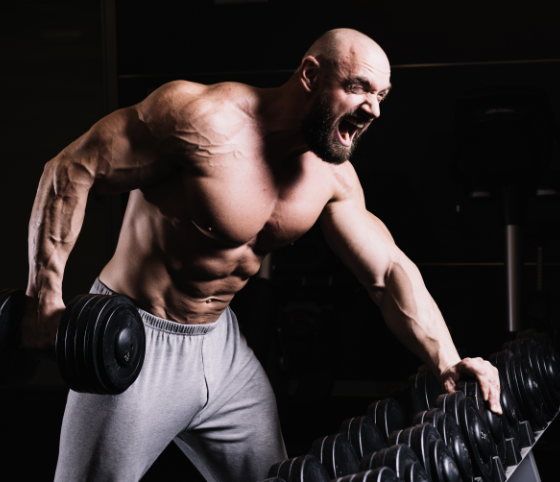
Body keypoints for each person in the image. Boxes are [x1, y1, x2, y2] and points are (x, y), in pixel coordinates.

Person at [21, 28, 501, 482]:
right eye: (358, 88)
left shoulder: (331, 176)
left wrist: (447, 361)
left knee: (274, 475)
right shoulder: (200, 118)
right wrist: (44, 298)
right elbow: (71, 169)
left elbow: (388, 270)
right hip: (137, 341)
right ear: (310, 75)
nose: (372, 108)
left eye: (381, 95)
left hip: (222, 348)